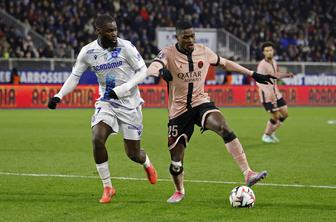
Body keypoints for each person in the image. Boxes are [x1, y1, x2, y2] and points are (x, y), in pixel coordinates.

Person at [114, 19, 277, 203]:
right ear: (178, 37)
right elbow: (155, 64)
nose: (190, 40)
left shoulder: (203, 51)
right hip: (178, 113)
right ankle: (179, 190)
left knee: (223, 126)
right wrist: (159, 71)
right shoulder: (168, 52)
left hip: (201, 103)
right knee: (176, 163)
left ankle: (248, 173)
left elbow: (226, 63)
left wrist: (254, 74)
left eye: (192, 36)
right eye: (186, 37)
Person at [47, 14, 157, 204]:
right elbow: (75, 77)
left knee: (133, 154)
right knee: (97, 139)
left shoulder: (127, 47)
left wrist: (122, 90)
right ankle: (108, 187)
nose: (114, 34)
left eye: (115, 29)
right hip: (106, 102)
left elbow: (143, 71)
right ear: (98, 31)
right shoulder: (87, 52)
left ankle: (146, 162)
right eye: (109, 31)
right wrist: (59, 95)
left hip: (130, 105)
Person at [257, 42, 294, 143]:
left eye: (270, 50)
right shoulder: (262, 65)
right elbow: (258, 81)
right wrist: (268, 93)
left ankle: (271, 132)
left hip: (276, 93)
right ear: (263, 53)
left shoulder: (273, 61)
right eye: (267, 51)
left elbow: (275, 74)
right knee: (276, 116)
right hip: (267, 95)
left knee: (285, 114)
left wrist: (286, 75)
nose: (269, 52)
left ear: (273, 51)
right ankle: (266, 135)